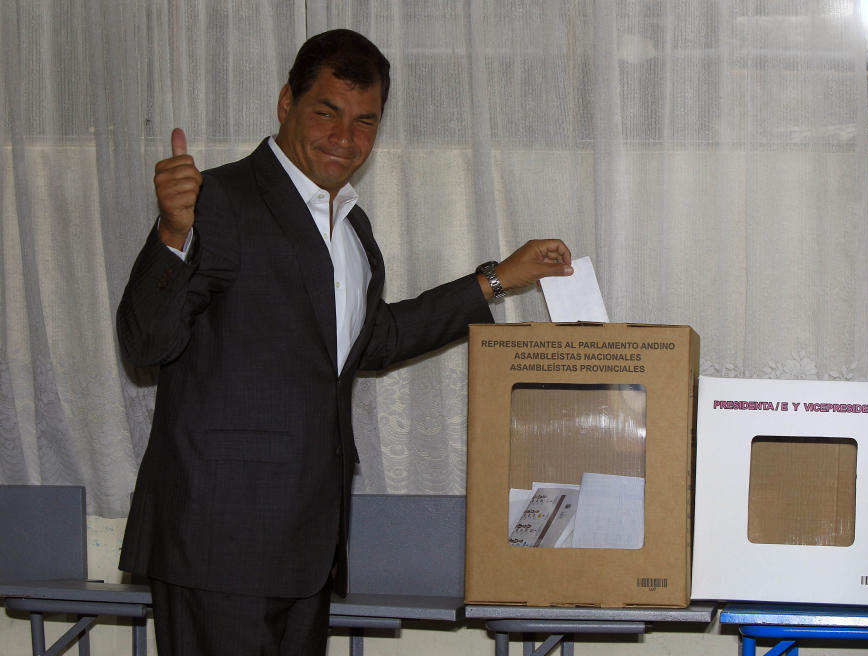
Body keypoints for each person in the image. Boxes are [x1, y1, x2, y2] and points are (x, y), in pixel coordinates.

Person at [116, 28, 571, 655]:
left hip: (308, 547)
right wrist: (172, 233)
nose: (345, 138)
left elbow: (372, 340)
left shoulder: (349, 225)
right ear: (285, 104)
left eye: (365, 122)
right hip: (217, 542)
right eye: (326, 113)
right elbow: (145, 343)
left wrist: (497, 280)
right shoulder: (217, 199)